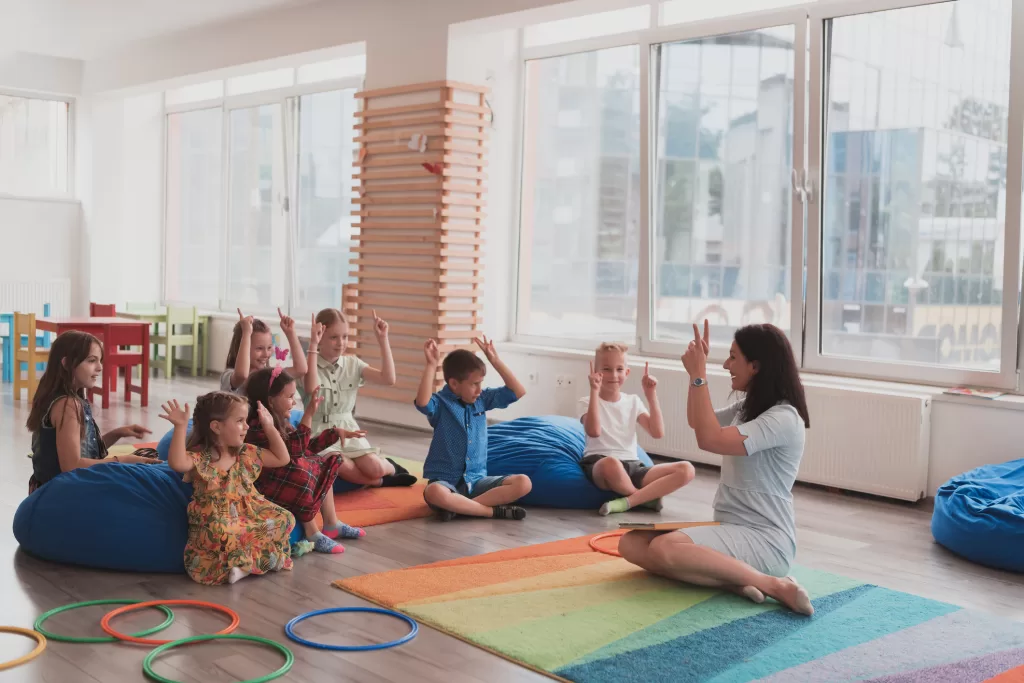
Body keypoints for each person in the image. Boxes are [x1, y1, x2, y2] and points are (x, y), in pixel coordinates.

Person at [618, 321, 815, 616]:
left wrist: (700, 374)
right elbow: (698, 421)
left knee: (664, 549)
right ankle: (733, 581)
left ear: (756, 365)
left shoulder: (784, 418)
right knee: (630, 544)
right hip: (729, 527)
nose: (725, 364)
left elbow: (709, 439)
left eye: (733, 357)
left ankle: (775, 585)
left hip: (766, 540)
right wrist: (694, 375)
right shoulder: (748, 407)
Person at [161, 392, 295, 586]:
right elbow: (177, 463)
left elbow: (283, 458)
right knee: (222, 532)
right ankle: (247, 565)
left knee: (285, 518)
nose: (247, 426)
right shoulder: (202, 458)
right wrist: (180, 427)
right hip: (218, 517)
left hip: (249, 511)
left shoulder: (246, 453)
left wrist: (270, 427)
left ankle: (244, 566)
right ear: (216, 427)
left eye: (246, 420)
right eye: (240, 421)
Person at [243, 366, 367, 555]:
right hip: (264, 487)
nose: (294, 402)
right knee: (299, 469)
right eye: (289, 397)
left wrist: (335, 433)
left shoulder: (281, 422)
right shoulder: (257, 427)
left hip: (283, 479)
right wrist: (308, 416)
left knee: (327, 459)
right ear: (271, 400)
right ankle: (312, 532)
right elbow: (293, 453)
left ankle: (332, 523)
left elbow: (305, 448)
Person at [26, 331, 160, 493]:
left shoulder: (61, 398)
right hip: (59, 494)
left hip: (50, 489)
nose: (100, 367)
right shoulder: (67, 405)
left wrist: (118, 433)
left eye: (100, 361)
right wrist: (121, 460)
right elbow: (72, 466)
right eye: (91, 361)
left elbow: (82, 451)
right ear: (67, 364)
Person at [415, 335, 531, 521]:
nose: (479, 389)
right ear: (454, 384)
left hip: (477, 481)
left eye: (481, 383)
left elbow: (518, 391)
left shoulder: (482, 400)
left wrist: (495, 360)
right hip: (446, 482)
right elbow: (422, 403)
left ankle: (460, 507)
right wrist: (430, 365)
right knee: (434, 492)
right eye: (474, 384)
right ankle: (489, 511)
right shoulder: (440, 403)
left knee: (524, 483)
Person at [301, 307, 415, 488]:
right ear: (319, 336)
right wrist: (312, 345)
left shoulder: (353, 364)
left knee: (375, 467)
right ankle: (381, 482)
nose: (341, 343)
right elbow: (312, 388)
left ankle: (389, 468)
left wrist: (383, 339)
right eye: (334, 337)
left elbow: (388, 379)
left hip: (349, 428)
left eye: (345, 336)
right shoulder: (306, 366)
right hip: (318, 432)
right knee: (337, 461)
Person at [581, 343, 695, 515]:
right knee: (611, 463)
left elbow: (657, 433)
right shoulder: (586, 401)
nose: (613, 375)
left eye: (619, 369)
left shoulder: (633, 401)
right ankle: (644, 498)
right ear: (595, 373)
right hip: (600, 463)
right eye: (606, 369)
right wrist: (594, 392)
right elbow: (594, 431)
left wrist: (651, 395)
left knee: (687, 469)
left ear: (627, 373)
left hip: (634, 466)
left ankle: (628, 502)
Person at [221, 307, 307, 394]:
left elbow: (300, 369)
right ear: (242, 347)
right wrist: (246, 333)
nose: (266, 354)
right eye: (259, 348)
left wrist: (290, 333)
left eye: (269, 347)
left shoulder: (268, 375)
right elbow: (242, 375)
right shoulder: (228, 376)